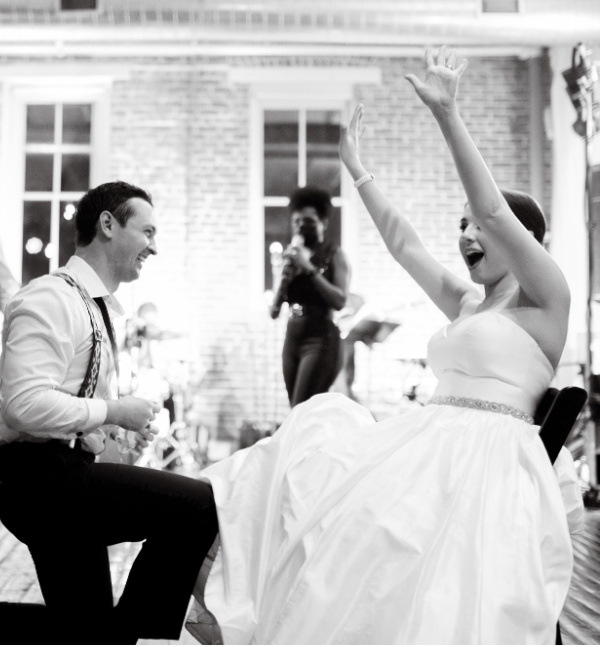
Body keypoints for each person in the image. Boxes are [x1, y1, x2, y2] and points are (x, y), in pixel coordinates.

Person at [186, 48, 582, 644]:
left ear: (524, 240)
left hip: (481, 460)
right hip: (429, 439)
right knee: (315, 432)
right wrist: (357, 171)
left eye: (477, 225)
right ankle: (229, 583)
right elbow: (405, 246)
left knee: (368, 528)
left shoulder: (547, 299)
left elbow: (494, 208)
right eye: (461, 226)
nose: (467, 234)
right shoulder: (469, 302)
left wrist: (447, 114)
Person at [0, 181, 218, 644]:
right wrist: (114, 410)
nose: (154, 247)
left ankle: (119, 637)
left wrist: (112, 429)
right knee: (197, 506)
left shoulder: (91, 304)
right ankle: (140, 632)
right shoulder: (51, 298)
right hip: (39, 479)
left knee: (89, 635)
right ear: (107, 225)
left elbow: (65, 401)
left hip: (58, 471)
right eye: (147, 231)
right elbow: (23, 405)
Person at [270, 186, 350, 406]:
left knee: (302, 408)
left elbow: (340, 300)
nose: (300, 226)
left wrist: (309, 268)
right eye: (295, 221)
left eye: (307, 221)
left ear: (323, 222)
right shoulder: (291, 257)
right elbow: (273, 312)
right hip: (292, 336)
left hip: (321, 338)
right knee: (296, 410)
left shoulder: (334, 255)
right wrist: (284, 279)